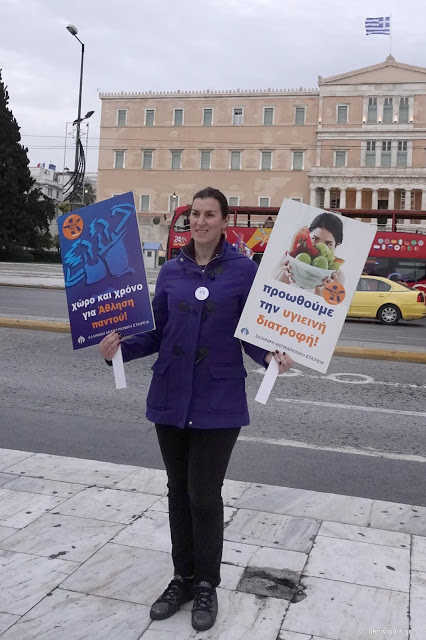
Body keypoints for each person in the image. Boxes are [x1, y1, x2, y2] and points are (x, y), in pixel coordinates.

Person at [99, 187, 293, 632]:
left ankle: (206, 584)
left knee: (203, 495)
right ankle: (181, 578)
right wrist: (118, 350)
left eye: (210, 215)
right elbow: (157, 332)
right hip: (170, 397)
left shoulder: (245, 271)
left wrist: (270, 358)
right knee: (176, 493)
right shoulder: (170, 271)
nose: (201, 222)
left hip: (218, 402)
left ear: (225, 220)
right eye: (195, 215)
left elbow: (251, 337)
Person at [276, 211, 344, 297]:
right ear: (308, 235)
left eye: (328, 244)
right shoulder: (286, 259)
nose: (320, 247)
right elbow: (268, 294)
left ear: (336, 246)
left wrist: (321, 289)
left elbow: (328, 308)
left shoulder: (338, 276)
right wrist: (287, 272)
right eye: (315, 239)